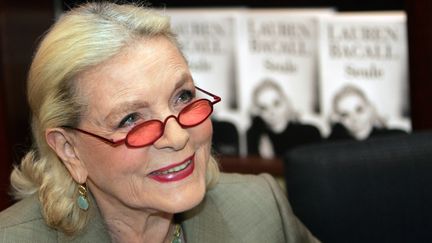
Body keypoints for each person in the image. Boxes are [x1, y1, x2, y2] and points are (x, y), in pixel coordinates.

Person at [0, 2, 319, 243]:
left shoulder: (261, 210)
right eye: (130, 119)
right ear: (69, 150)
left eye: (182, 97)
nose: (177, 137)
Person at [247, 79, 322, 158]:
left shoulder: (310, 133)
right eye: (264, 108)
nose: (272, 112)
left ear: (286, 102)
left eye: (276, 104)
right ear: (258, 112)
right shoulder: (255, 138)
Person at [327, 84, 407, 141]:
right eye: (345, 115)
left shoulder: (397, 137)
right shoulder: (336, 143)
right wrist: (335, 127)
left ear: (370, 108)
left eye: (359, 110)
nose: (354, 119)